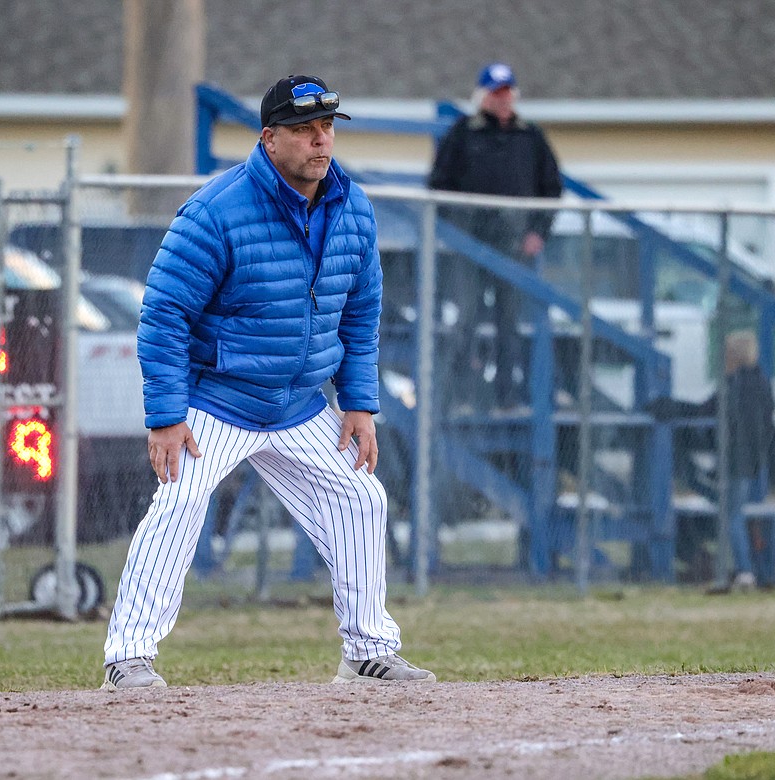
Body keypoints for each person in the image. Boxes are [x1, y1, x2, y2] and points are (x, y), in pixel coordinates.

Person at [102, 75, 436, 689]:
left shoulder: (352, 208)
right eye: (305, 130)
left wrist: (359, 405)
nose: (321, 141)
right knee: (177, 503)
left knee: (363, 499)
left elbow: (361, 315)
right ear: (269, 138)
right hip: (216, 400)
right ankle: (128, 657)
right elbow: (163, 315)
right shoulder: (216, 210)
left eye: (328, 127)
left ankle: (368, 653)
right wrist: (166, 416)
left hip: (298, 405)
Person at [428, 62, 563, 412]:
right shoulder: (463, 133)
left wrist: (538, 232)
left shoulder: (531, 137)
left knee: (509, 323)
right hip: (469, 246)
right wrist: (455, 229)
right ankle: (460, 397)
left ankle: (507, 398)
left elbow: (551, 188)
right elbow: (438, 185)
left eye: (507, 94)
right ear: (483, 97)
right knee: (467, 318)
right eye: (495, 94)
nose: (502, 101)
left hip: (514, 247)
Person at [650, 331, 775, 589]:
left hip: (735, 461)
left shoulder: (735, 385)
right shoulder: (761, 383)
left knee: (732, 514)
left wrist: (670, 408)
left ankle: (745, 571)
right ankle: (743, 568)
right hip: (750, 461)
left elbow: (706, 410)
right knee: (727, 506)